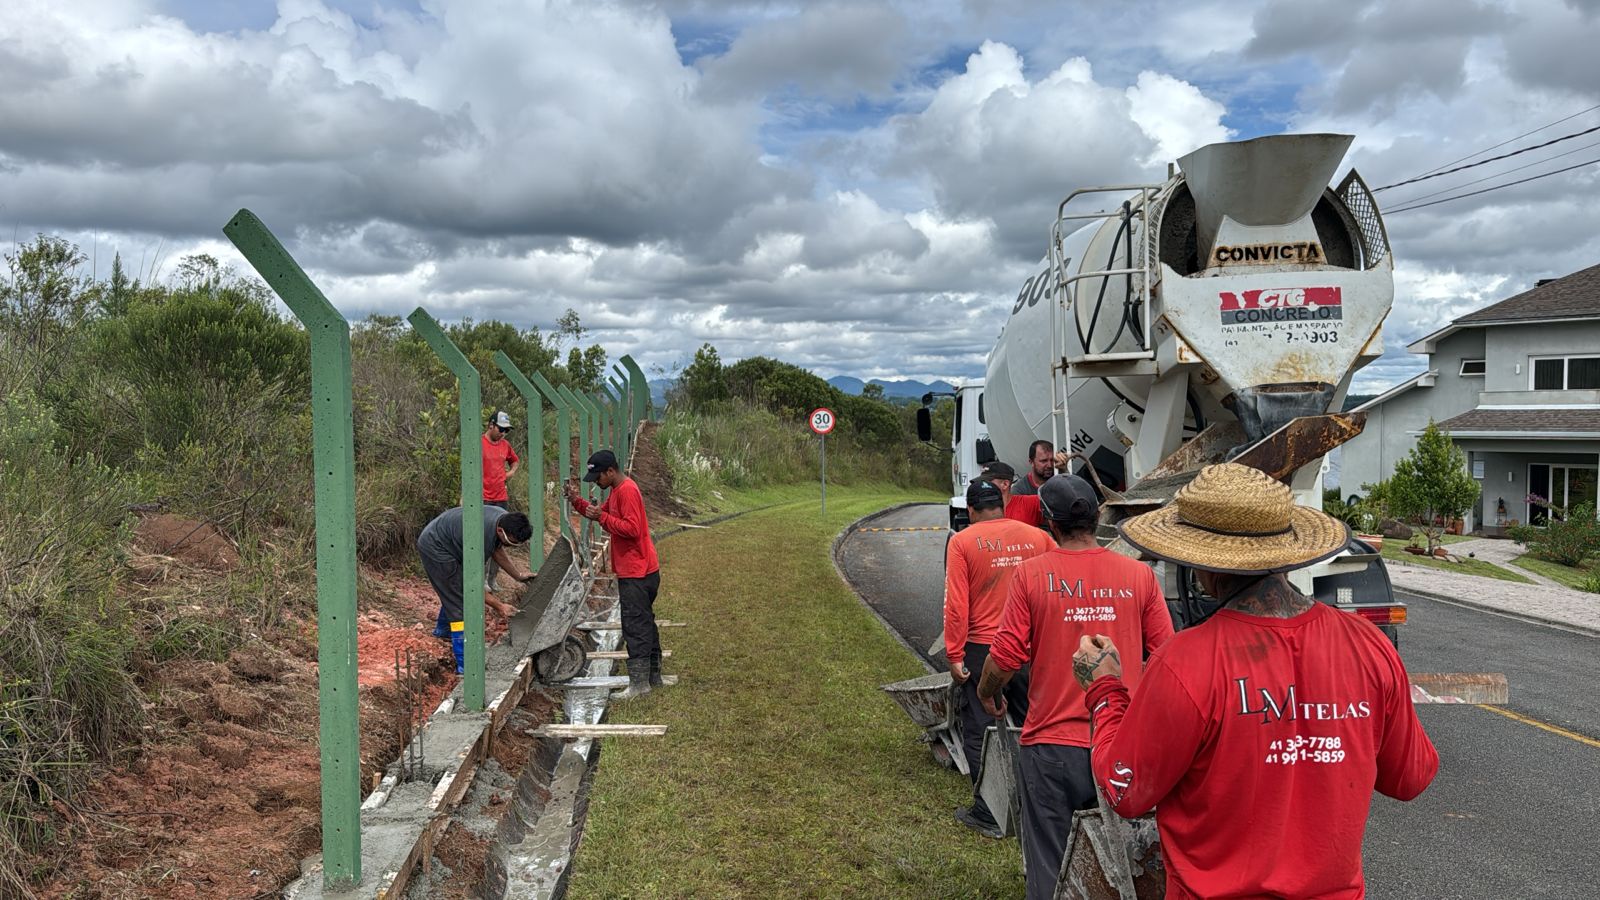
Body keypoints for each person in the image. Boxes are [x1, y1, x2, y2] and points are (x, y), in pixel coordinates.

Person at [1073, 463, 1439, 899]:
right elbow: (1411, 777)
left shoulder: (1186, 661)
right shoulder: (1369, 647)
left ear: (1203, 567)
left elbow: (1126, 789)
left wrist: (1104, 689)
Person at [976, 473, 1173, 900]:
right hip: (1124, 743)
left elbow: (1006, 659)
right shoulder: (1139, 576)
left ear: (1050, 522)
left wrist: (985, 691)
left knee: (1050, 863)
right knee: (1130, 863)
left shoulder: (1030, 576)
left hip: (1051, 747)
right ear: (1098, 516)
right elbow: (1166, 657)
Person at [944, 477, 1053, 838]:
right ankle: (1035, 806)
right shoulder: (1037, 537)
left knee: (980, 728)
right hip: (1032, 646)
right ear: (1002, 506)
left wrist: (955, 653)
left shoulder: (962, 542)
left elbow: (957, 605)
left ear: (971, 510)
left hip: (984, 648)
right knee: (1032, 724)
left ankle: (990, 812)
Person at [564, 450, 662, 700]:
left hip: (636, 570)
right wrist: (576, 501)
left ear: (610, 471)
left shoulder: (627, 491)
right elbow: (599, 515)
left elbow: (631, 529)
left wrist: (604, 517)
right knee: (644, 620)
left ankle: (640, 684)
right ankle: (653, 675)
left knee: (635, 624)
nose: (596, 481)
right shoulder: (618, 490)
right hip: (641, 568)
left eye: (598, 477)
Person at [418, 506, 536, 673]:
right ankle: (466, 666)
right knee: (460, 604)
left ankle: (443, 631)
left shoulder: (501, 520)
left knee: (453, 593)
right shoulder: (480, 537)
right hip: (437, 548)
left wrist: (518, 575)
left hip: (451, 541)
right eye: (512, 542)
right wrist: (499, 606)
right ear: (500, 531)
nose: (512, 546)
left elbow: (498, 550)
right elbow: (471, 586)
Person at [482, 410, 521, 593]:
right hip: (483, 499)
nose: (503, 433)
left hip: (501, 499)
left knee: (500, 541)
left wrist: (510, 473)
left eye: (507, 430)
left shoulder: (505, 445)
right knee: (484, 540)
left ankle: (492, 579)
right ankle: (481, 579)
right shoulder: (479, 443)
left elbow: (515, 461)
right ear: (491, 425)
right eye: (501, 429)